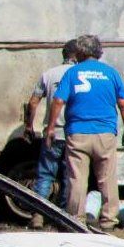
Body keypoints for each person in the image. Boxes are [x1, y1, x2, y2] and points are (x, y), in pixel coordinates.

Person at [44, 34, 124, 230]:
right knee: (107, 178)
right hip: (105, 134)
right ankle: (108, 221)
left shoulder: (72, 73)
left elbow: (58, 101)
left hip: (78, 132)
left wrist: (51, 128)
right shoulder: (111, 73)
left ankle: (76, 220)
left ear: (81, 52)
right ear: (98, 51)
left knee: (77, 179)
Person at [25, 39, 78, 219]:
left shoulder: (48, 74)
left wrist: (29, 126)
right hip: (73, 134)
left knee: (45, 175)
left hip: (52, 133)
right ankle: (63, 217)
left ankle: (37, 215)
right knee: (68, 177)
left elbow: (33, 102)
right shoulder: (79, 74)